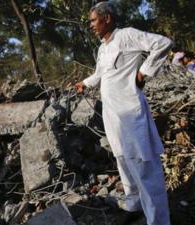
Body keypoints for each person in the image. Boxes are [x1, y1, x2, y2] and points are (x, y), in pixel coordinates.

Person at [74, 2, 172, 225]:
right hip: (112, 114)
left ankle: (158, 220)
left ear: (107, 18)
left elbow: (163, 43)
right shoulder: (102, 48)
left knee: (144, 165)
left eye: (93, 20)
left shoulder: (127, 35)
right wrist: (85, 83)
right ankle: (134, 206)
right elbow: (100, 73)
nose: (90, 25)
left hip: (131, 112)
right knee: (123, 161)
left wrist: (143, 72)